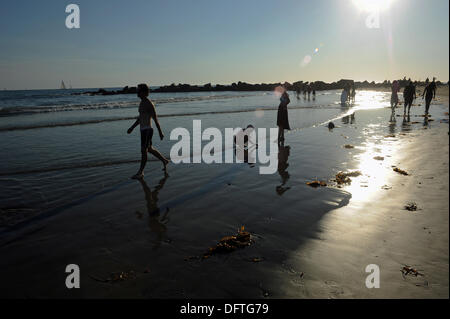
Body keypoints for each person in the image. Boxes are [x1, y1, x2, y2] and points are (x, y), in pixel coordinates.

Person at [127, 83, 170, 179]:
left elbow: (155, 118)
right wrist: (132, 127)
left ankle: (140, 172)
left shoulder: (149, 103)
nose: (137, 92)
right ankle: (164, 160)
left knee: (144, 150)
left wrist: (160, 132)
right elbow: (140, 118)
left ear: (144, 92)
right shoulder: (141, 103)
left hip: (148, 130)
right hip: (142, 130)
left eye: (138, 90)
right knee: (149, 149)